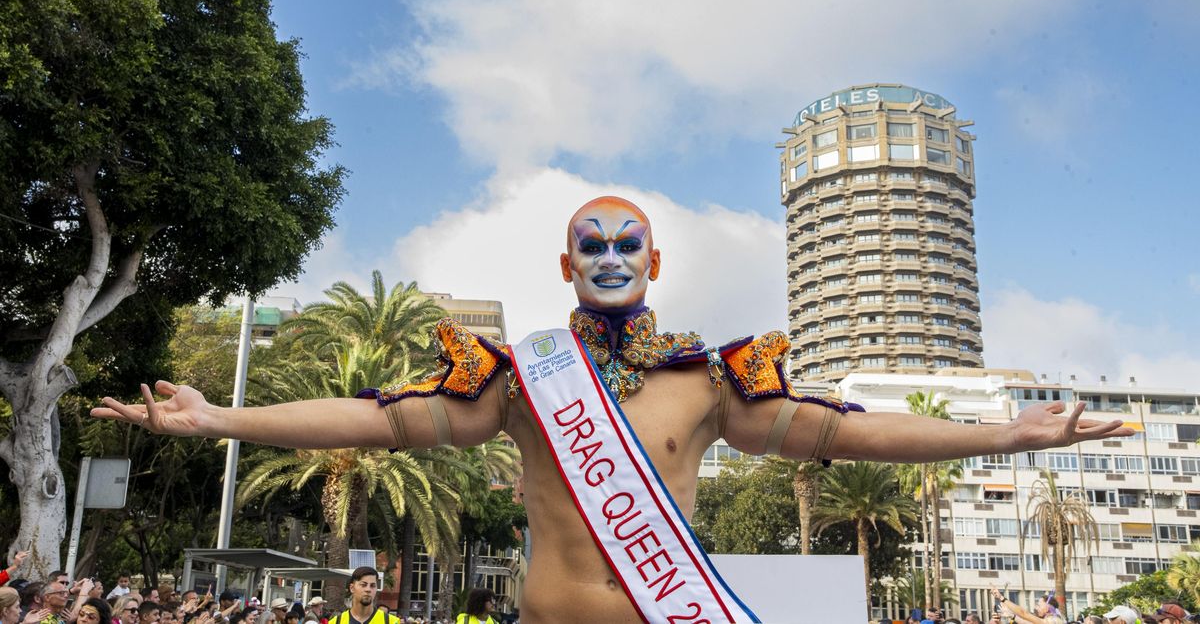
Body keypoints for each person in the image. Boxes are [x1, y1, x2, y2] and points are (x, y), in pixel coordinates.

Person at [94, 197, 1135, 623]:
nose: (607, 256)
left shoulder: (708, 380)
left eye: (624, 243)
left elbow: (843, 428)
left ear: (652, 261)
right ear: (566, 262)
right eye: (588, 243)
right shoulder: (515, 376)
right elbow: (377, 420)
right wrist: (219, 422)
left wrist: (1007, 432)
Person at [328, 568, 397, 624]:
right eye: (363, 585)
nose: (368, 589)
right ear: (352, 588)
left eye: (372, 585)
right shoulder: (336, 622)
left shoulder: (392, 622)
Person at [991, 588, 1064, 624]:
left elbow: (1024, 614)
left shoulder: (1054, 621)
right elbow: (1025, 622)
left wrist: (1001, 598)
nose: (1036, 607)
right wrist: (1011, 615)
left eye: (1039, 605)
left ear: (1048, 608)